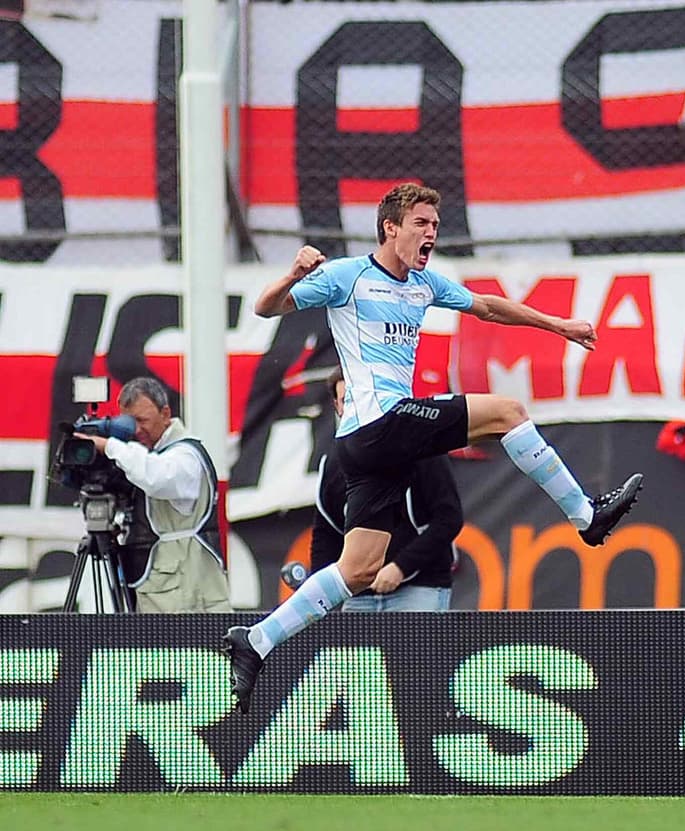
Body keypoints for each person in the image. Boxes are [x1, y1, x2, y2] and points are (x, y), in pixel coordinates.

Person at [223, 182, 642, 712]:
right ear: (390, 228)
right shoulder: (346, 276)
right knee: (508, 412)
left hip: (367, 445)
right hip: (381, 423)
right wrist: (295, 272)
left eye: (435, 225)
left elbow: (488, 307)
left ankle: (257, 641)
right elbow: (265, 308)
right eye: (420, 224)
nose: (430, 234)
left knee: (358, 570)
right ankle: (585, 516)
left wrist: (556, 325)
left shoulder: (422, 283)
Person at [75, 377, 231, 612]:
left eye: (142, 420)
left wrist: (108, 446)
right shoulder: (146, 456)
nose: (136, 430)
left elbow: (157, 478)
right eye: (128, 423)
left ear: (165, 414)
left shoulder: (185, 456)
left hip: (188, 600)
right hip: (164, 594)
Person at [310, 366, 460, 612]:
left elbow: (448, 518)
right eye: (347, 400)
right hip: (357, 595)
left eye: (361, 397)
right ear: (336, 406)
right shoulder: (333, 464)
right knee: (348, 651)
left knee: (415, 653)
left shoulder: (423, 449)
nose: (355, 407)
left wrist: (400, 567)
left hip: (419, 587)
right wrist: (318, 594)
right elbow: (326, 533)